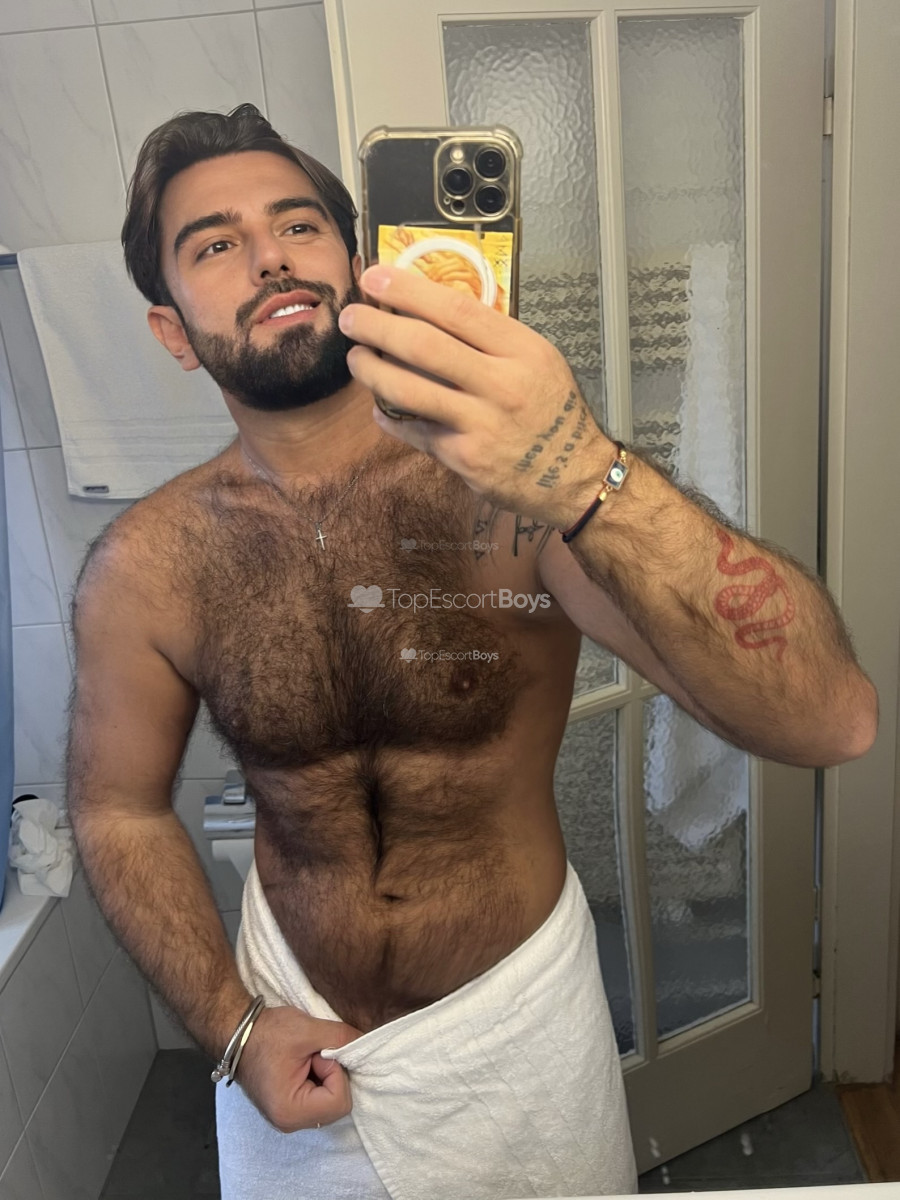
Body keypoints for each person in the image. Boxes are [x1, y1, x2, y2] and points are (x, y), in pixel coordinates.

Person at [66, 103, 877, 1200]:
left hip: (516, 1040)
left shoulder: (518, 498)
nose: (270, 257)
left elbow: (830, 718)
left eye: (299, 225)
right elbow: (118, 809)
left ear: (362, 265)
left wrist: (580, 467)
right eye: (215, 244)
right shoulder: (148, 565)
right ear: (172, 330)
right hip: (289, 1037)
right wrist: (231, 1026)